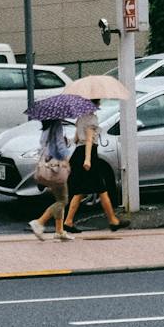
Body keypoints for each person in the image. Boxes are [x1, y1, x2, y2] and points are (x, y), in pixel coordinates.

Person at [64, 103, 126, 233]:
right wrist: (87, 160)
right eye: (97, 101)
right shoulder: (92, 119)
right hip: (88, 154)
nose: (99, 104)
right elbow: (88, 140)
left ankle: (69, 221)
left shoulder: (80, 118)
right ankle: (113, 221)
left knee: (80, 191)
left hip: (78, 154)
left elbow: (75, 139)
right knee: (101, 189)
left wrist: (68, 141)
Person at [27, 118, 74, 241]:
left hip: (49, 165)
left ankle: (59, 231)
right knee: (63, 200)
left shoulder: (46, 126)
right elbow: (59, 145)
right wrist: (66, 160)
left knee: (59, 198)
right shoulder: (56, 124)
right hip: (57, 166)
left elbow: (43, 144)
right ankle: (39, 222)